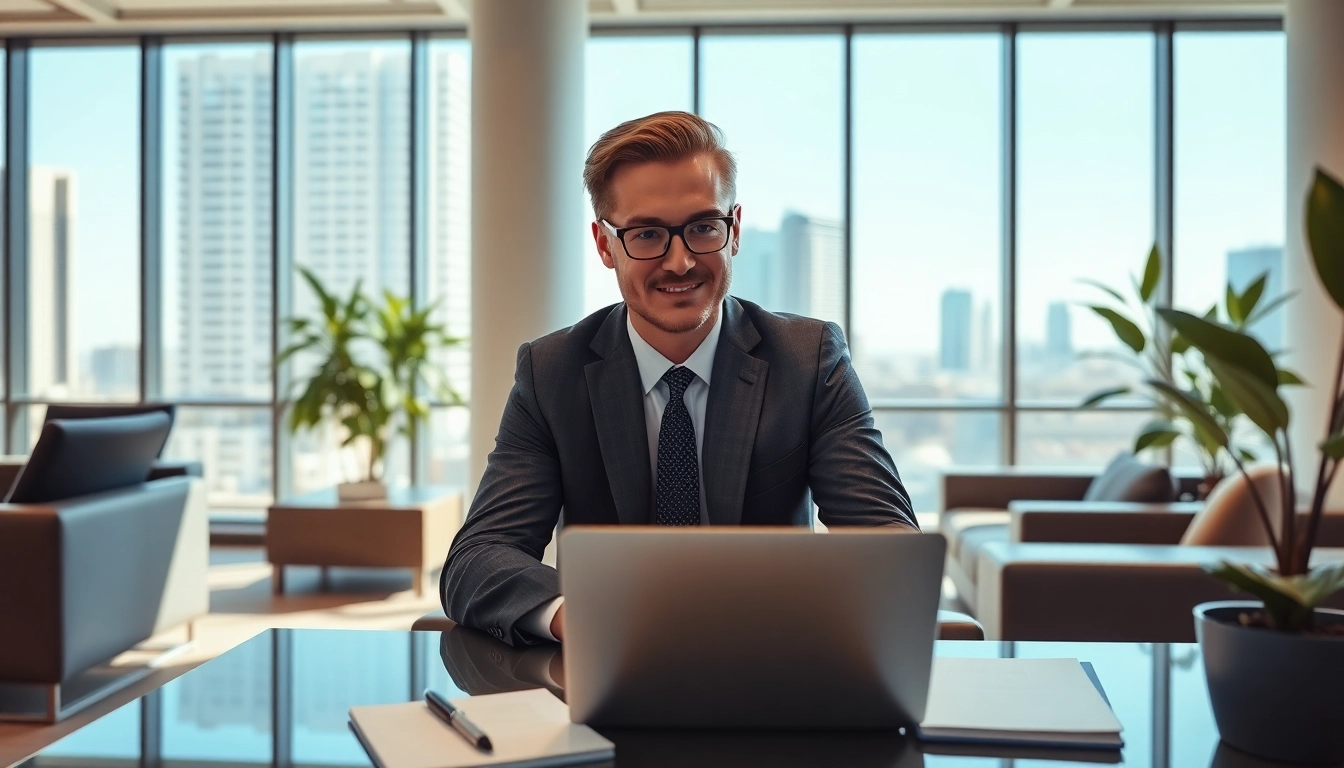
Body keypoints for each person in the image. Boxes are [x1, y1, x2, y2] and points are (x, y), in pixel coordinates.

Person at [441, 111, 917, 647]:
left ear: (734, 231)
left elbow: (890, 544)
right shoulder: (552, 373)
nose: (680, 261)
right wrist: (577, 617)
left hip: (770, 662)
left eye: (703, 228)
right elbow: (479, 557)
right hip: (607, 666)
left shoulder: (808, 360)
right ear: (605, 244)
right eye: (647, 234)